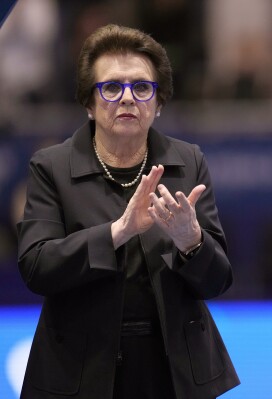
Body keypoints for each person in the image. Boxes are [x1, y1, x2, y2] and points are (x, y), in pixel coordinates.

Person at [16, 24, 239, 399]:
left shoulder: (187, 161)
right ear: (89, 103)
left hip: (173, 372)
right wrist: (116, 232)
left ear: (159, 102)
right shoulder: (51, 167)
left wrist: (192, 242)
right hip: (80, 371)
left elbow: (217, 282)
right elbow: (37, 267)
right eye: (111, 87)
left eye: (141, 87)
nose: (127, 98)